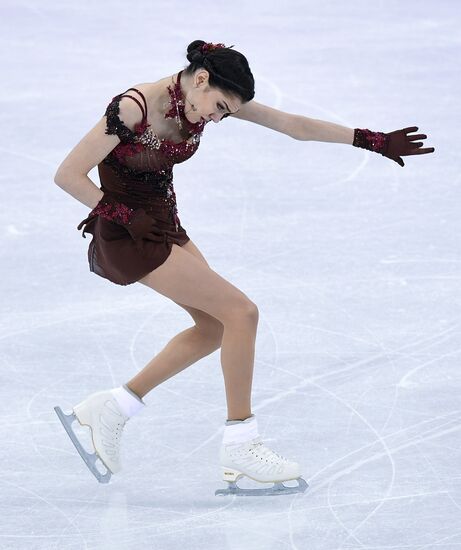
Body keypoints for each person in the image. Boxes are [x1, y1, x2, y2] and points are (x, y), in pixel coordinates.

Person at [53, 40, 435, 496]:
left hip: (164, 223)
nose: (216, 119)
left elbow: (290, 125)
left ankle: (113, 407)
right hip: (129, 231)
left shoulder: (205, 102)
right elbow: (69, 174)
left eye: (226, 114)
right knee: (242, 313)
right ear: (200, 79)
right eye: (217, 107)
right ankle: (241, 441)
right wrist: (125, 217)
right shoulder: (132, 107)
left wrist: (369, 139)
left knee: (215, 327)